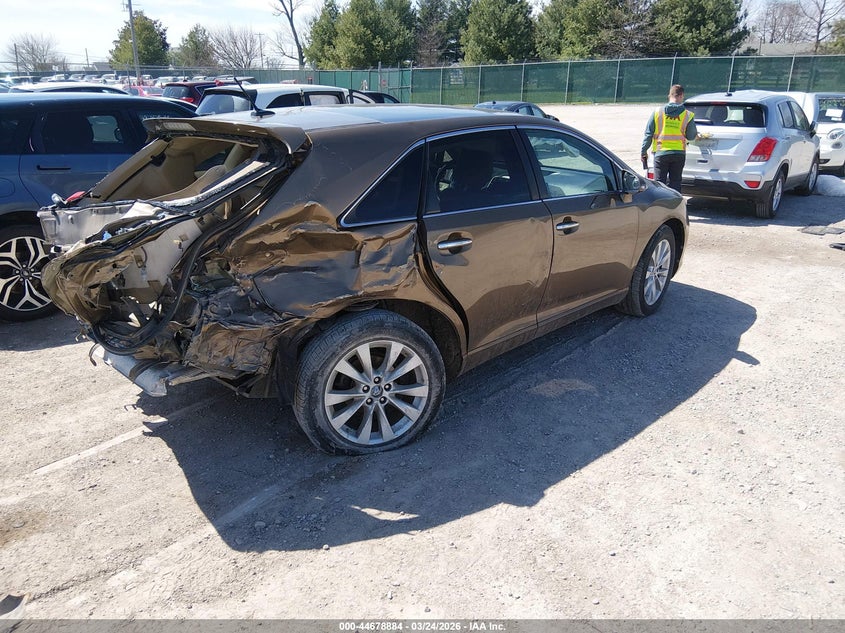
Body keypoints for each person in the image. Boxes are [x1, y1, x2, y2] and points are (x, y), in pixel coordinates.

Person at [641, 84, 697, 193]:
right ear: (681, 96)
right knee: (675, 183)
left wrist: (643, 151)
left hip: (661, 153)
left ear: (669, 95)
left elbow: (648, 134)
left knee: (659, 184)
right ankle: (675, 207)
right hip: (679, 154)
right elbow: (691, 136)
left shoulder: (657, 112)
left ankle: (660, 208)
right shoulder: (688, 115)